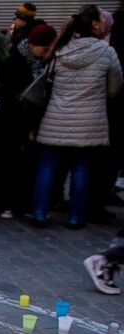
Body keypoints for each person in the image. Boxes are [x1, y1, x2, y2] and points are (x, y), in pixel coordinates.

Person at [32, 4, 122, 229]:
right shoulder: (107, 52)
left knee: (47, 167)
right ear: (95, 24)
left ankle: (39, 213)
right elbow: (115, 89)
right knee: (81, 169)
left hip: (55, 118)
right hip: (89, 122)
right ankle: (75, 217)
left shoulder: (60, 49)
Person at [0, 23, 56, 218]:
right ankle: (6, 204)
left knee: (25, 163)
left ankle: (21, 203)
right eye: (44, 48)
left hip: (28, 119)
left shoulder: (44, 63)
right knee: (9, 162)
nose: (45, 53)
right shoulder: (14, 62)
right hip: (11, 119)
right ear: (33, 44)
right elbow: (6, 91)